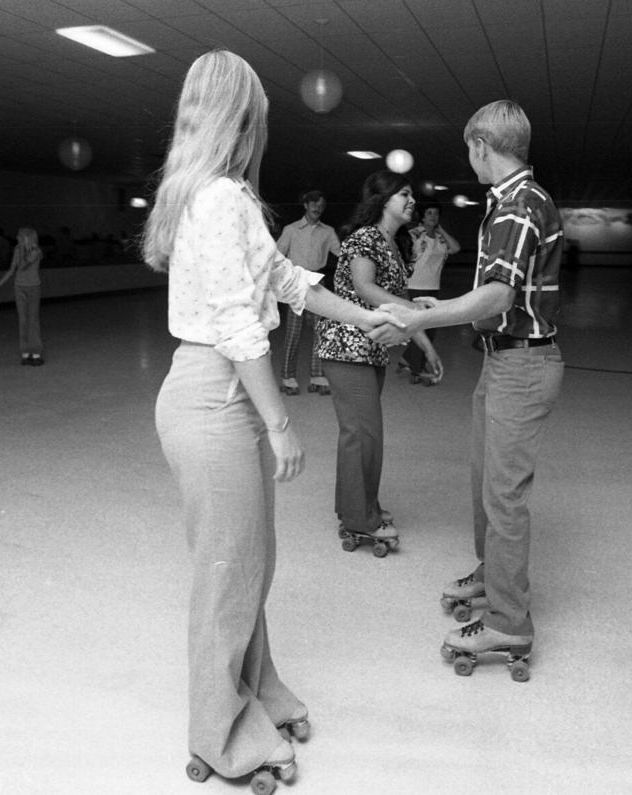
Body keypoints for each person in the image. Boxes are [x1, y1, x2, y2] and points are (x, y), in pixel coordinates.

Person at [143, 50, 403, 787]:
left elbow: (288, 283)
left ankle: (256, 690)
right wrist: (281, 421)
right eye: (259, 115)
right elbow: (236, 325)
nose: (265, 129)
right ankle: (219, 734)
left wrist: (367, 316)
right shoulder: (220, 198)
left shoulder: (221, 195)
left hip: (218, 396)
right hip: (211, 396)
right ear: (241, 118)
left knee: (248, 564)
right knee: (229, 571)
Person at [383, 100, 564, 668]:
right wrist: (445, 305)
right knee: (487, 484)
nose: (471, 159)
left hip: (522, 365)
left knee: (504, 498)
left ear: (483, 146)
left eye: (470, 150)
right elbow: (488, 297)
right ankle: (495, 578)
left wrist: (422, 318)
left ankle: (509, 623)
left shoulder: (518, 206)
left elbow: (497, 297)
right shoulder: (511, 202)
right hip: (502, 360)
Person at [314, 170, 443, 546]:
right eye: (404, 194)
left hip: (370, 350)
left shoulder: (393, 243)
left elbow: (401, 309)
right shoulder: (364, 238)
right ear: (382, 200)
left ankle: (361, 505)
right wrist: (428, 321)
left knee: (367, 434)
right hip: (345, 347)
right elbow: (366, 289)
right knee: (362, 433)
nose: (412, 200)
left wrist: (427, 346)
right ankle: (359, 518)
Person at [275, 189, 340, 396]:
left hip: (317, 284)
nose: (317, 209)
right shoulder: (291, 230)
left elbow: (341, 253)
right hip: (296, 284)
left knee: (320, 332)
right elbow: (277, 256)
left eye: (321, 206)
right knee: (293, 333)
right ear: (305, 205)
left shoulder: (328, 231)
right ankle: (288, 378)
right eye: (314, 205)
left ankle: (317, 376)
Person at [398, 201, 460, 385]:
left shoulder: (441, 238)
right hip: (414, 285)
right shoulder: (415, 234)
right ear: (422, 217)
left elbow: (456, 248)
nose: (433, 217)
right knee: (422, 327)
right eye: (430, 213)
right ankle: (417, 369)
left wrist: (441, 230)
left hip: (433, 287)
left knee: (430, 328)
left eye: (436, 214)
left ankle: (407, 359)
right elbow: (403, 255)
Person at [0, 226, 44, 365]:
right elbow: (12, 269)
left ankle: (36, 352)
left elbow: (24, 266)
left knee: (33, 319)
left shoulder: (36, 251)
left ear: (26, 238)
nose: (16, 238)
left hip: (34, 287)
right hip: (19, 287)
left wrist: (22, 250)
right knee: (23, 319)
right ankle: (25, 351)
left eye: (19, 236)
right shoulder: (17, 249)